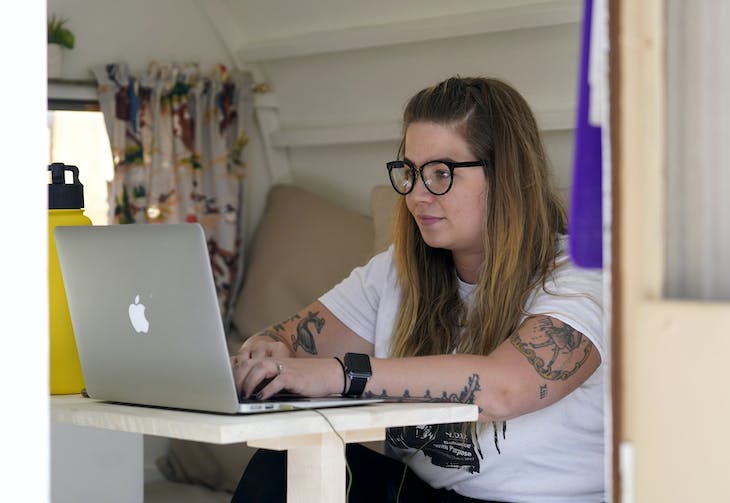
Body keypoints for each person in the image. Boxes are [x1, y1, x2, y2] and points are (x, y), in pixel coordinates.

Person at [230, 76, 604, 503]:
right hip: (426, 494)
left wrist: (341, 373)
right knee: (286, 464)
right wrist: (265, 350)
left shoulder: (580, 276)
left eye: (441, 174)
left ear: (506, 176)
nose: (417, 196)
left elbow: (505, 388)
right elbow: (291, 343)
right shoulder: (395, 271)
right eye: (411, 172)